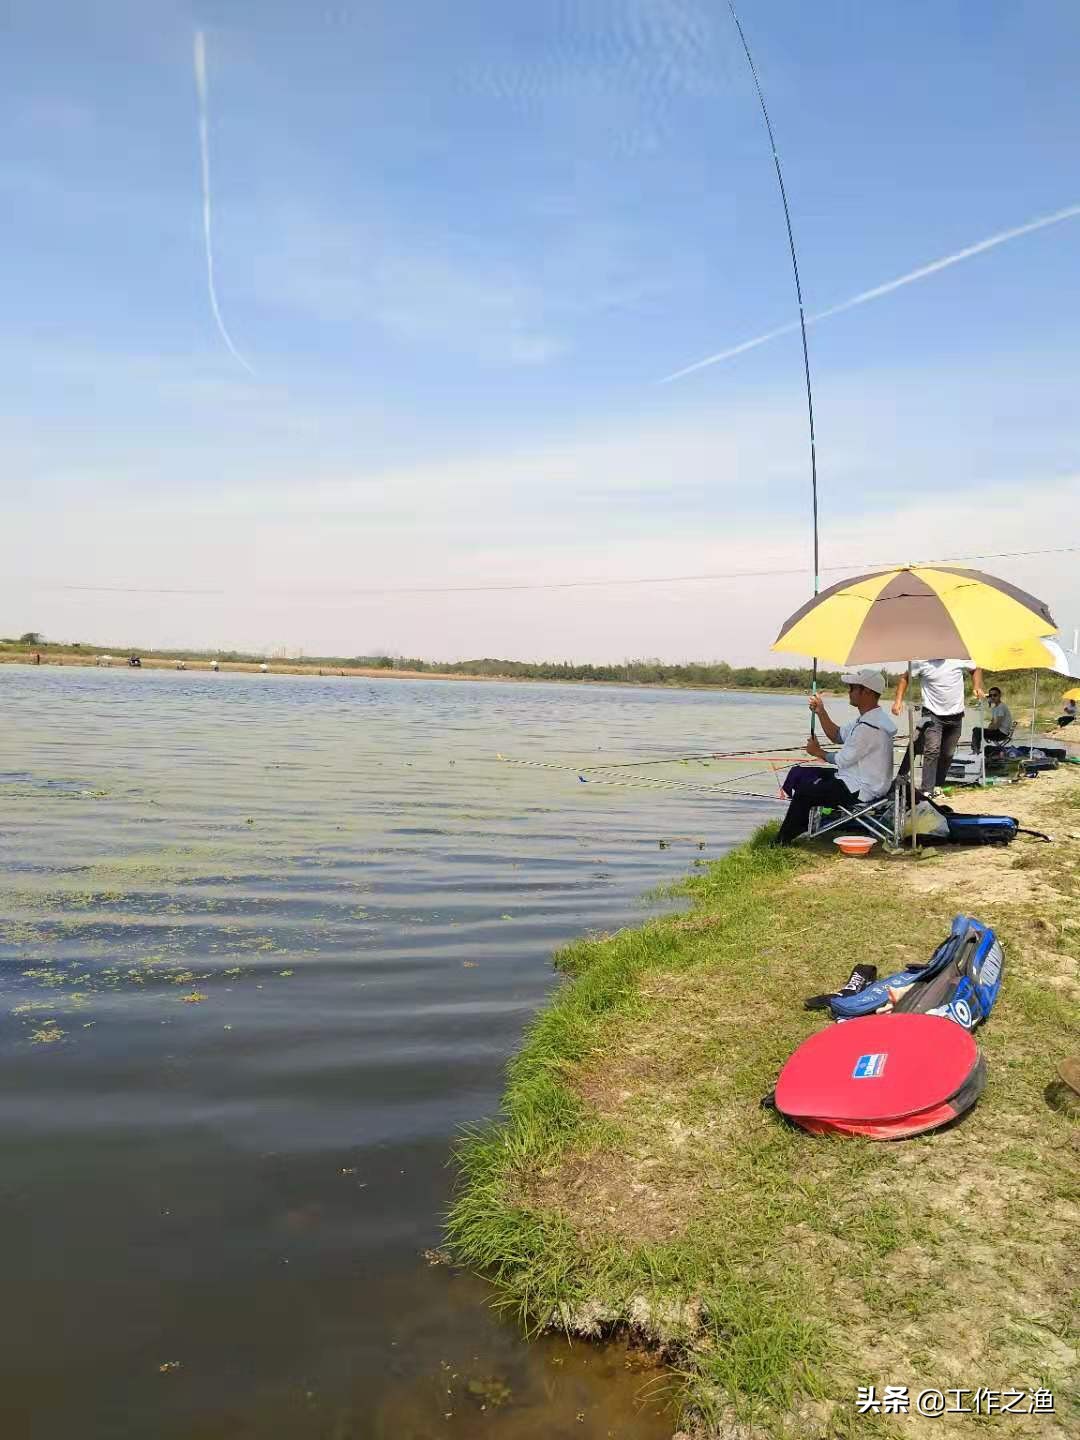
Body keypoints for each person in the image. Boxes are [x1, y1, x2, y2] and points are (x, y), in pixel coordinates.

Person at [775, 669, 897, 845]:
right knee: (803, 773)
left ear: (867, 692)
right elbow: (837, 735)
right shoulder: (868, 719)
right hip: (856, 779)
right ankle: (800, 827)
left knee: (804, 793)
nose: (849, 691)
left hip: (861, 789)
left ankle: (781, 841)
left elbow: (842, 760)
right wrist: (821, 711)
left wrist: (818, 752)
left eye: (852, 688)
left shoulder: (870, 727)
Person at [892, 659, 985, 797]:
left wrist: (977, 686)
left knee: (947, 754)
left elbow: (976, 669)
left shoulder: (958, 657)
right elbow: (905, 678)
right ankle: (926, 790)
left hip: (956, 715)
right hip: (932, 714)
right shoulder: (921, 662)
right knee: (932, 750)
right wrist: (898, 701)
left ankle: (937, 786)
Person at [971, 686, 1013, 751]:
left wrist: (987, 731)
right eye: (990, 695)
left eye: (995, 695)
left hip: (1001, 734)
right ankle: (976, 749)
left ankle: (976, 750)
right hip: (998, 732)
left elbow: (996, 725)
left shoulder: (1001, 707)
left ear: (1000, 695)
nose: (992, 697)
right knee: (976, 730)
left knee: (977, 731)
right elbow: (992, 722)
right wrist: (988, 731)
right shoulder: (995, 708)